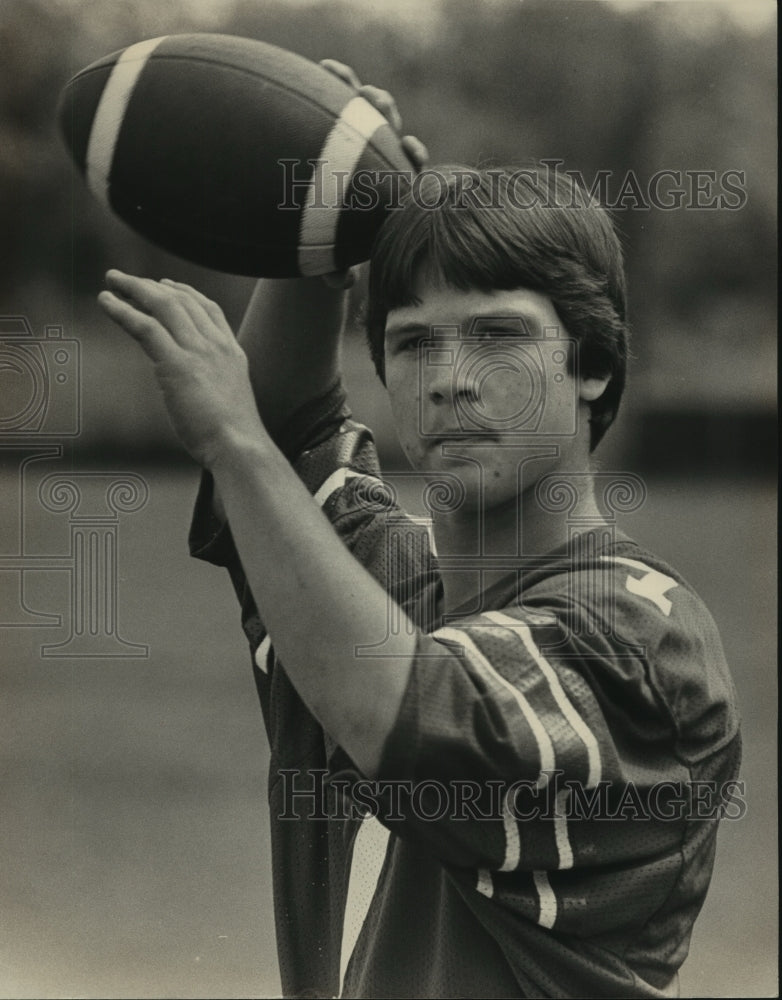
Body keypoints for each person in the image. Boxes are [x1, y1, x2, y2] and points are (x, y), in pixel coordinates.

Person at [98, 62, 741, 999]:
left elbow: (402, 713)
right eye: (412, 342)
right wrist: (324, 223)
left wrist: (235, 442)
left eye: (496, 336)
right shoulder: (386, 587)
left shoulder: (643, 638)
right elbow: (295, 436)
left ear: (593, 364)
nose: (449, 377)